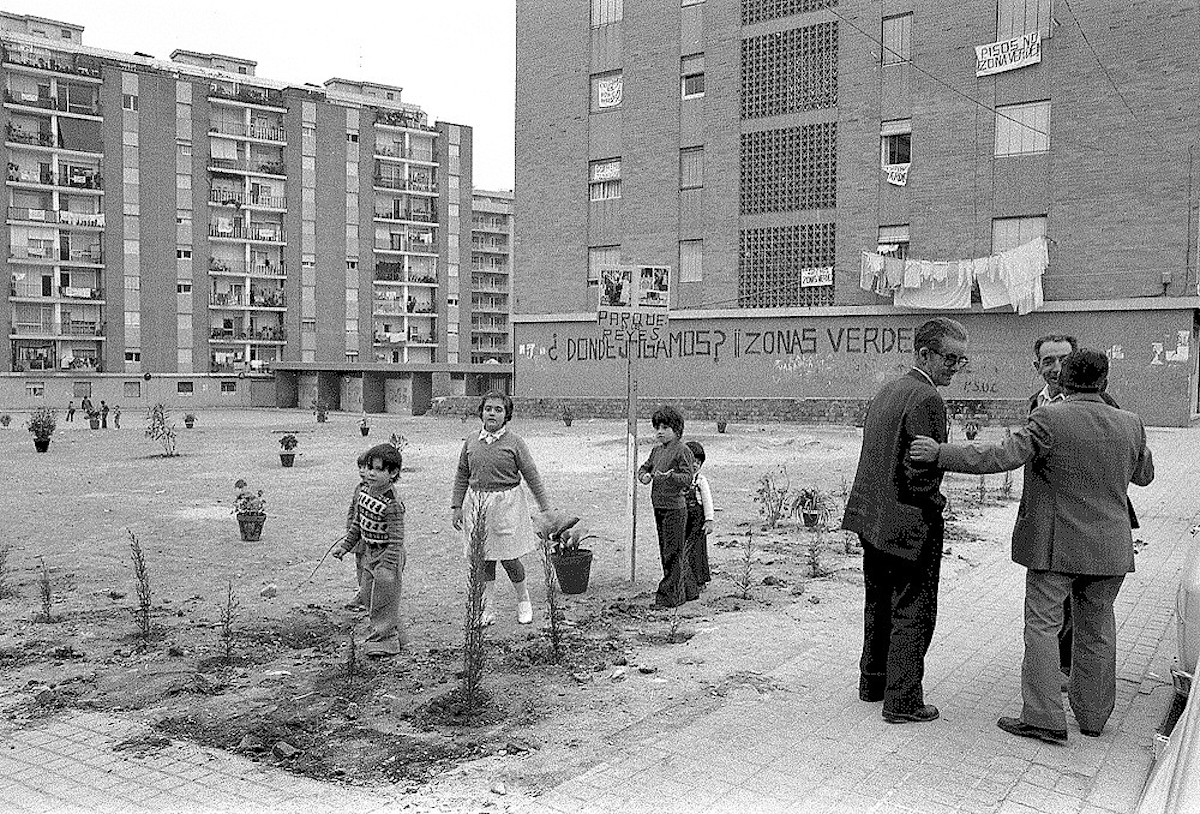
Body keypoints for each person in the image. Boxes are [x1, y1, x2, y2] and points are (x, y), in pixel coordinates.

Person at [910, 348, 1154, 743]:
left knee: (1042, 626)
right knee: (1098, 629)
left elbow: (999, 456)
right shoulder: (1131, 423)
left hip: (1055, 546)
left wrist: (940, 454)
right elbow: (1144, 475)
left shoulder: (1049, 419)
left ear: (1064, 380)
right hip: (1110, 547)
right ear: (1105, 382)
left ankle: (1044, 718)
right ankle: (1093, 718)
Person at [842, 317, 969, 724]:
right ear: (923, 354)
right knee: (914, 609)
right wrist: (933, 506)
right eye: (949, 358)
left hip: (872, 517)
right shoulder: (927, 399)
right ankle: (903, 701)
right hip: (909, 520)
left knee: (878, 601)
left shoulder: (889, 390)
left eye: (960, 360)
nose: (954, 366)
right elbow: (920, 469)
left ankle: (873, 681)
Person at [1029, 334, 1139, 681]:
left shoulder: (1107, 404)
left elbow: (1126, 458)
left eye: (1063, 359)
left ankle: (1064, 674)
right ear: (1037, 367)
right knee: (1074, 616)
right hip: (1058, 524)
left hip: (1083, 525)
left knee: (1072, 615)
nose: (1056, 368)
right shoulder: (1037, 404)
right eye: (1048, 361)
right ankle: (1075, 690)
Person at [451, 392, 551, 626]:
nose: (492, 413)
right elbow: (462, 474)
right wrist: (456, 506)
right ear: (481, 413)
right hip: (478, 505)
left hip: (507, 505)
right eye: (488, 409)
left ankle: (523, 600)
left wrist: (545, 507)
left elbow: (531, 475)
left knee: (509, 558)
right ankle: (487, 609)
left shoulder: (515, 443)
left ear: (506, 415)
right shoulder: (471, 441)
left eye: (498, 409)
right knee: (484, 559)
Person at [332, 443, 406, 657]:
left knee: (384, 597)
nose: (371, 473)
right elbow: (358, 524)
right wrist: (345, 546)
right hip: (370, 552)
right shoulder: (365, 492)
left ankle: (386, 642)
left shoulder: (392, 504)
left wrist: (388, 565)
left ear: (392, 473)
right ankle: (393, 633)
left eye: (378, 469)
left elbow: (397, 539)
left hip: (387, 555)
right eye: (369, 468)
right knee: (367, 594)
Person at [637, 405, 698, 608]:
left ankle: (668, 598)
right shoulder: (656, 451)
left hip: (675, 508)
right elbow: (645, 467)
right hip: (659, 506)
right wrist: (644, 476)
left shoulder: (683, 450)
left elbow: (688, 478)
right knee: (667, 551)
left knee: (673, 552)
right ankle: (688, 591)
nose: (660, 432)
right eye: (657, 428)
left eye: (665, 427)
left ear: (677, 430)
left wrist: (671, 476)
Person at [338, 450, 372, 613]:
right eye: (360, 467)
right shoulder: (358, 488)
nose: (362, 471)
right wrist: (349, 531)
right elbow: (353, 510)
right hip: (357, 535)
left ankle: (367, 598)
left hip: (370, 538)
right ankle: (362, 594)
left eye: (365, 467)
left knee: (368, 567)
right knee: (359, 564)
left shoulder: (375, 490)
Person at [684, 440, 713, 589]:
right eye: (692, 461)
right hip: (683, 519)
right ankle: (685, 580)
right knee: (684, 549)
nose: (695, 464)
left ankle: (700, 580)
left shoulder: (700, 480)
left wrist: (709, 520)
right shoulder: (680, 478)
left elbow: (707, 501)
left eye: (698, 462)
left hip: (697, 520)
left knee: (698, 550)